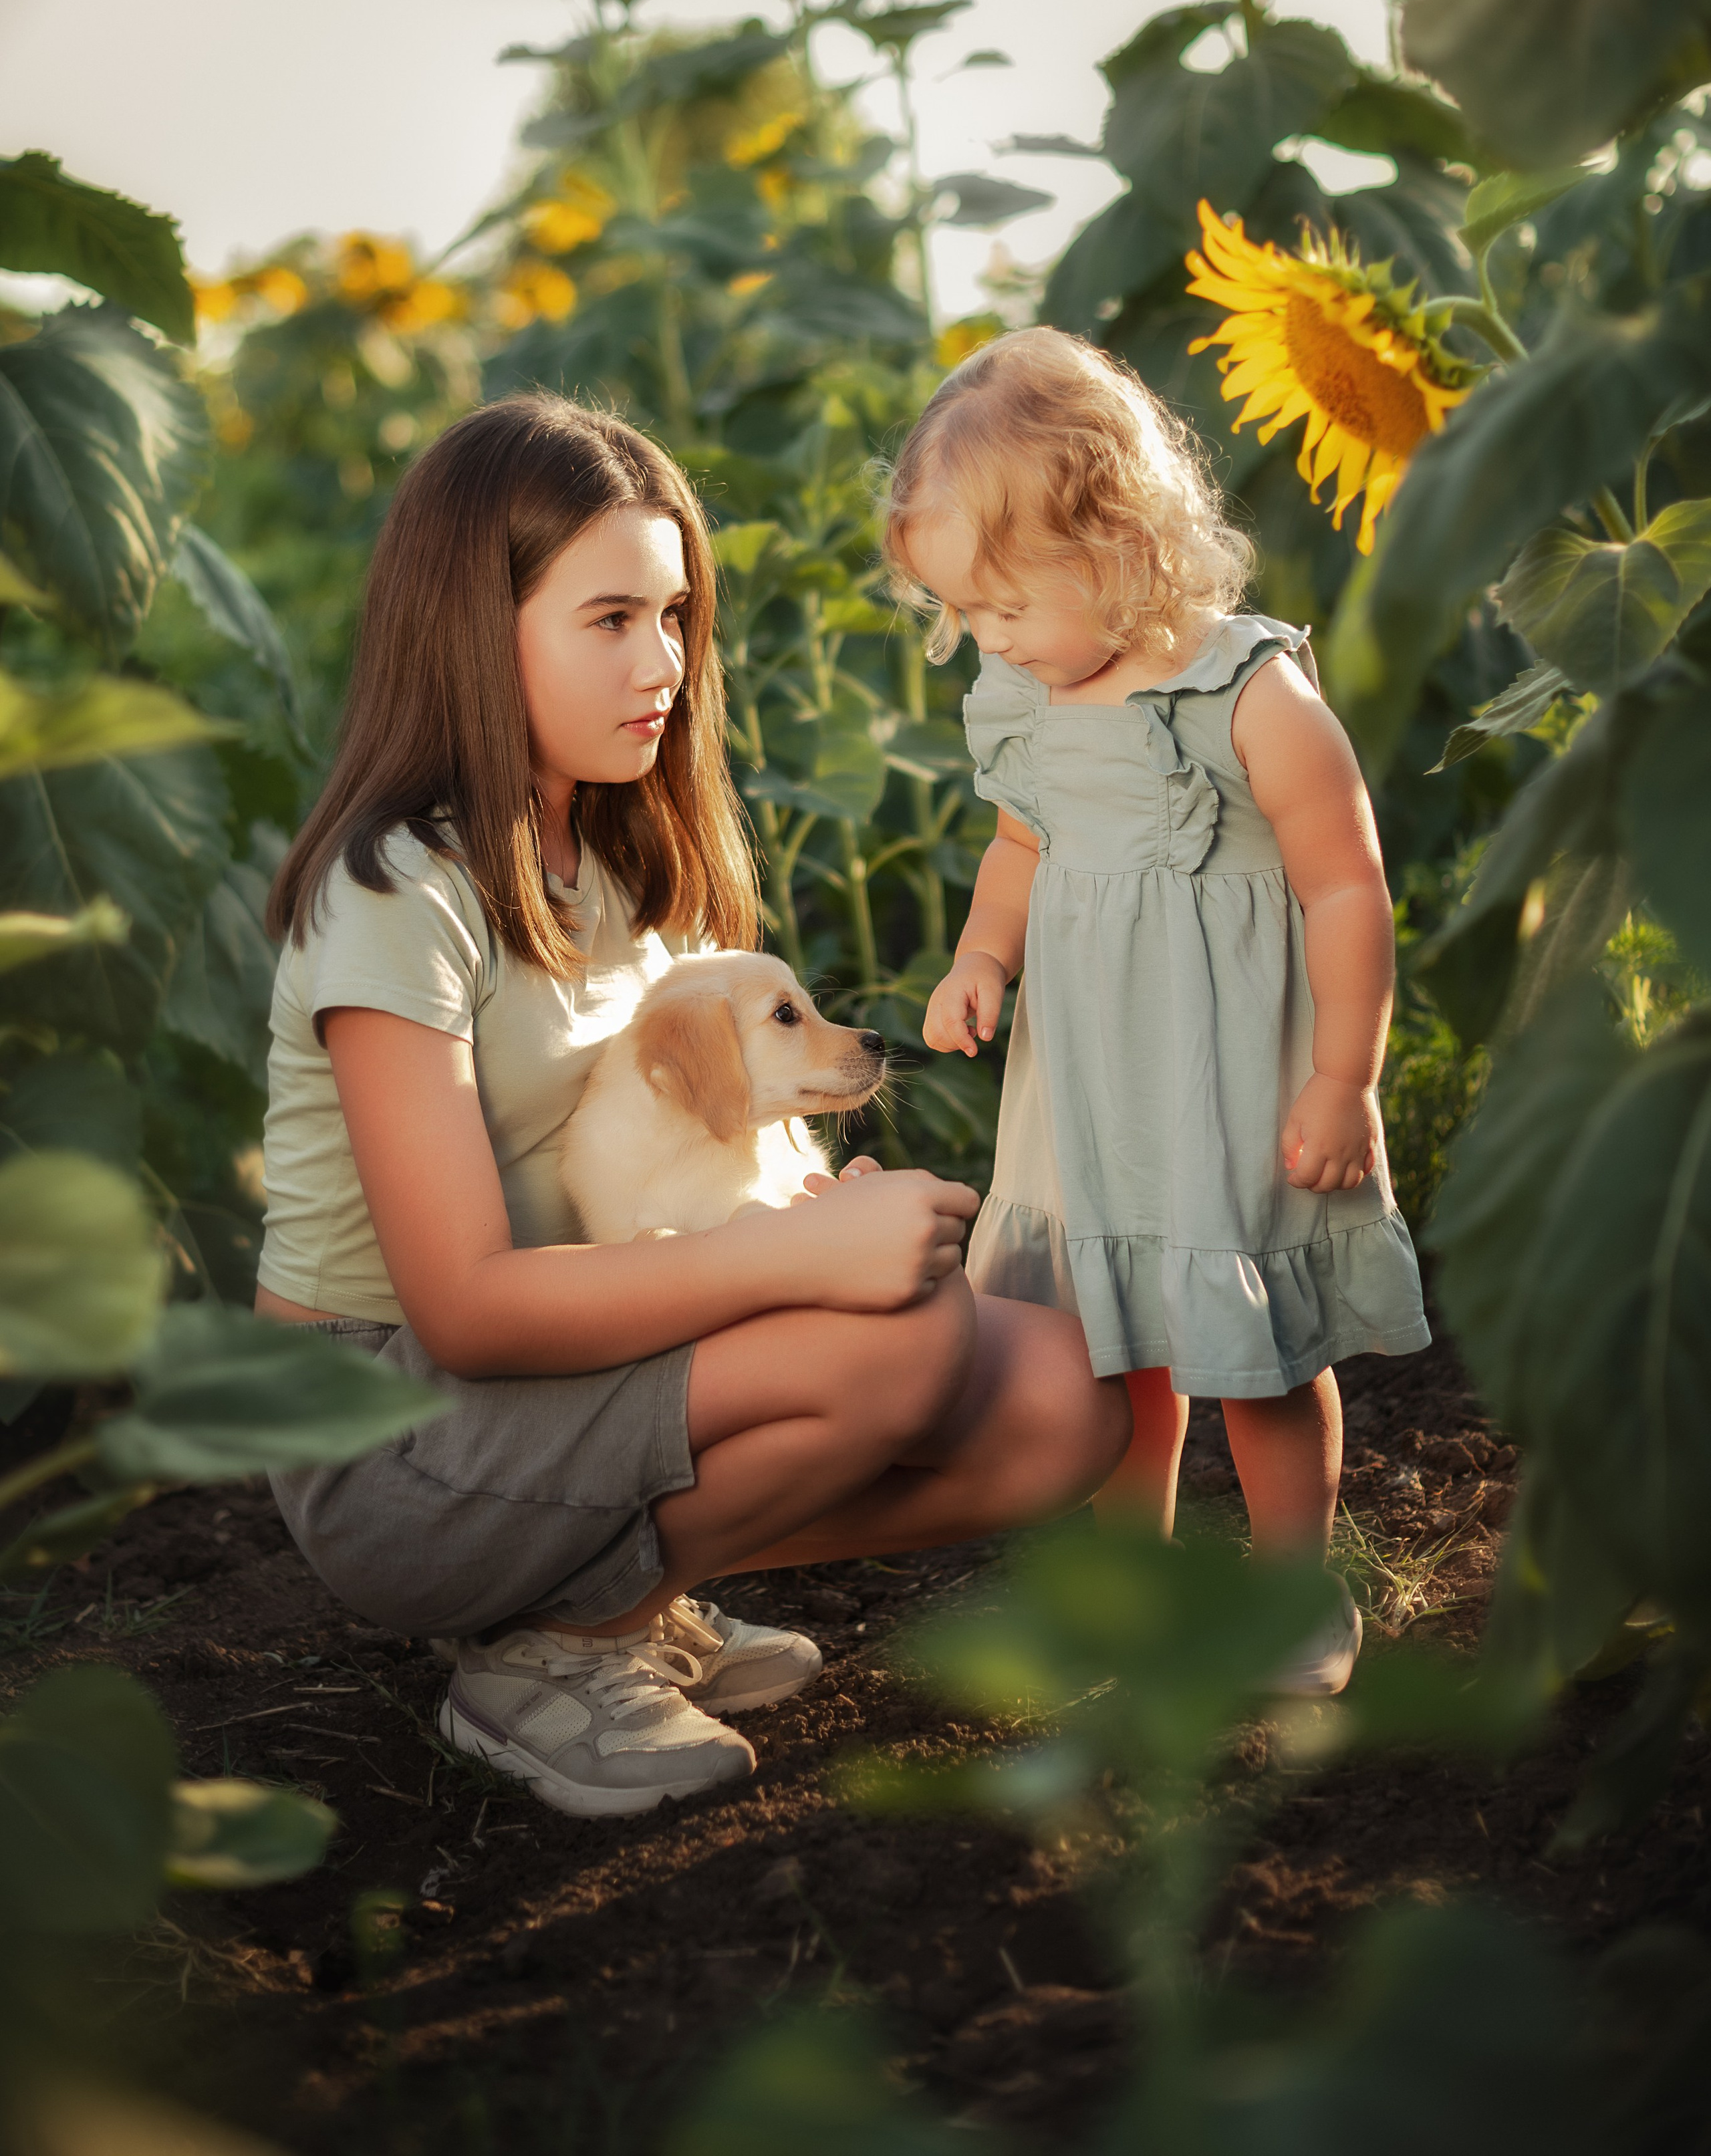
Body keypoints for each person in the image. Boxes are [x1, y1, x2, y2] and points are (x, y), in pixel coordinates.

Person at [255, 394, 1129, 1819]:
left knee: (1062, 1399)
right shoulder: (394, 897)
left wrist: (794, 1211)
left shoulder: (607, 864)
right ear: (479, 627)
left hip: (559, 1358)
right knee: (897, 1345)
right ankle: (555, 1651)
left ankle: (604, 1595)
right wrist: (797, 1267)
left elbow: (654, 1177)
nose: (661, 662)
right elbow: (466, 1307)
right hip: (392, 1429)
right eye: (610, 619)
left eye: (674, 617)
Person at [884, 328, 1428, 1697]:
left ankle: (1290, 1596)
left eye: (1005, 604)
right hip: (1093, 1087)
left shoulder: (1247, 692)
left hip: (1231, 1074)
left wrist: (1340, 1078)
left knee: (1248, 1352)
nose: (986, 639)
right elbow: (1020, 849)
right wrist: (979, 962)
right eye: (966, 615)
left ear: (1118, 540)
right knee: (1110, 1348)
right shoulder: (1023, 702)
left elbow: (1345, 887)